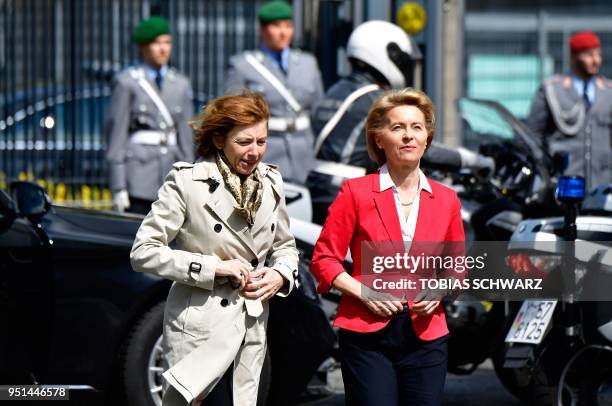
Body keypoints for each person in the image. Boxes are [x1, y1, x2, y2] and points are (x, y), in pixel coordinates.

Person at [130, 92, 299, 406]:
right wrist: (213, 268)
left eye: (262, 142)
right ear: (219, 139)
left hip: (250, 328)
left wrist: (279, 274)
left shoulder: (272, 183)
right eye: (244, 142)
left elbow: (286, 247)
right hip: (200, 330)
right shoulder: (186, 183)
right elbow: (143, 251)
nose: (254, 152)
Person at [310, 89, 464, 406]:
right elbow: (324, 260)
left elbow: (456, 270)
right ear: (379, 139)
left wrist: (437, 290)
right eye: (397, 128)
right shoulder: (356, 192)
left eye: (417, 127)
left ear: (427, 138)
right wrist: (365, 292)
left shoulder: (447, 199)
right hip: (367, 336)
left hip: (426, 336)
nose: (408, 136)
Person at [308, 20, 493, 224]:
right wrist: (471, 160)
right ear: (388, 54)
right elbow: (413, 145)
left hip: (321, 188)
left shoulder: (339, 89)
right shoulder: (376, 99)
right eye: (403, 61)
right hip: (348, 195)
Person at [224, 0, 324, 183]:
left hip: (304, 154)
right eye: (277, 26)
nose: (283, 32)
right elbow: (233, 117)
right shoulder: (243, 66)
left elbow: (317, 111)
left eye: (288, 26)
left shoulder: (308, 63)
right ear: (262, 29)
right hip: (267, 153)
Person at [106, 16, 195, 214]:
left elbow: (185, 138)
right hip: (138, 177)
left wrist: (189, 176)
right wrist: (118, 185)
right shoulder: (127, 81)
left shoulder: (180, 84)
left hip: (171, 176)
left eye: (167, 42)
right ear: (143, 47)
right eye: (156, 43)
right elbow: (116, 136)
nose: (163, 49)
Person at [526, 30, 611, 191]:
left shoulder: (608, 92)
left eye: (598, 55)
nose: (596, 61)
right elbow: (533, 135)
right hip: (564, 184)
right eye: (589, 55)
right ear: (574, 57)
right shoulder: (552, 90)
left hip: (601, 184)